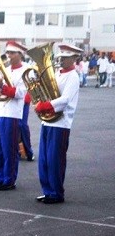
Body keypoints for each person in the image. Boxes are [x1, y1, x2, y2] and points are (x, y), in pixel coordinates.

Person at [33, 44, 82, 204]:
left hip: (61, 123)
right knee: (44, 160)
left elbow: (65, 100)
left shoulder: (73, 77)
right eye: (61, 57)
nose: (61, 60)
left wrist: (45, 106)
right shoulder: (57, 73)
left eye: (66, 57)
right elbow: (47, 91)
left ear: (74, 58)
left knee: (55, 160)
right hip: (48, 122)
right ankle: (47, 191)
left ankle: (56, 193)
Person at [0, 41, 28, 191]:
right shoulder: (4, 69)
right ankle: (0, 178)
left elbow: (21, 93)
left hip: (12, 113)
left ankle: (9, 179)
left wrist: (2, 87)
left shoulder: (26, 70)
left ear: (20, 54)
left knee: (9, 149)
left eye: (12, 53)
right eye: (8, 53)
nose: (9, 56)